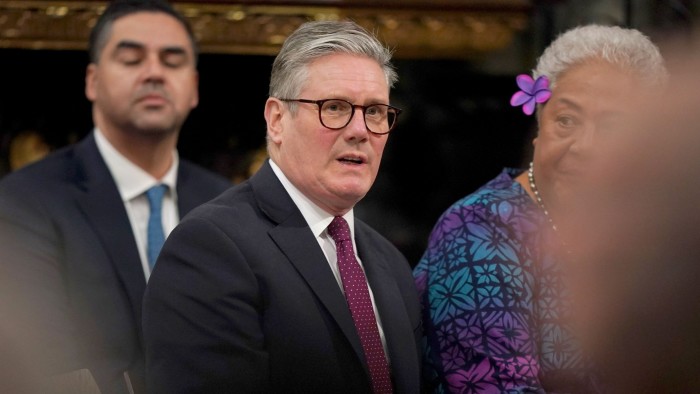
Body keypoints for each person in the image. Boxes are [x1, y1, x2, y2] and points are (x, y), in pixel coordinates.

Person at [143, 20, 421, 394]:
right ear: (277, 120)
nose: (360, 130)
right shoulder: (211, 247)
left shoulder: (390, 262)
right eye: (335, 107)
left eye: (374, 112)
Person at [413, 25, 667, 393]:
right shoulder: (478, 230)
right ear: (538, 127)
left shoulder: (653, 227)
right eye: (566, 120)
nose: (585, 146)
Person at [0, 0, 231, 393]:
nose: (154, 73)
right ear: (92, 81)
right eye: (131, 59)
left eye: (172, 61)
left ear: (193, 88)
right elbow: (45, 366)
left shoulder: (229, 204)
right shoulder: (24, 202)